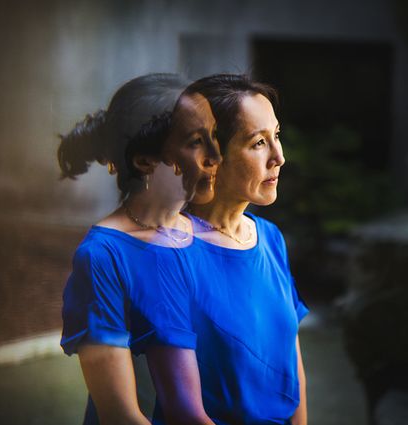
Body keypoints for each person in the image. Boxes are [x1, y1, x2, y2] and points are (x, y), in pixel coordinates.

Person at [58, 73, 221, 424]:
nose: (215, 155)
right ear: (145, 160)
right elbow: (120, 415)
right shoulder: (103, 256)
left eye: (214, 135)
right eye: (196, 141)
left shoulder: (213, 235)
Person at [148, 74, 309, 425]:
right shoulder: (165, 255)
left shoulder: (269, 238)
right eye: (258, 143)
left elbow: (290, 361)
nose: (279, 157)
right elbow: (176, 408)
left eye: (276, 136)